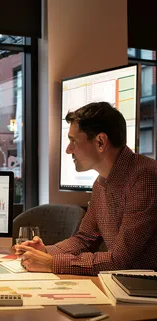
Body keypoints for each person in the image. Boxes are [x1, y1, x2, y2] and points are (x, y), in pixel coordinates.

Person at [15, 102, 157, 275]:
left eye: (73, 141)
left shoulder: (145, 177)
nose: (68, 150)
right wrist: (46, 252)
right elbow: (85, 239)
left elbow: (121, 260)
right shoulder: (100, 183)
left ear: (100, 141)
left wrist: (52, 263)